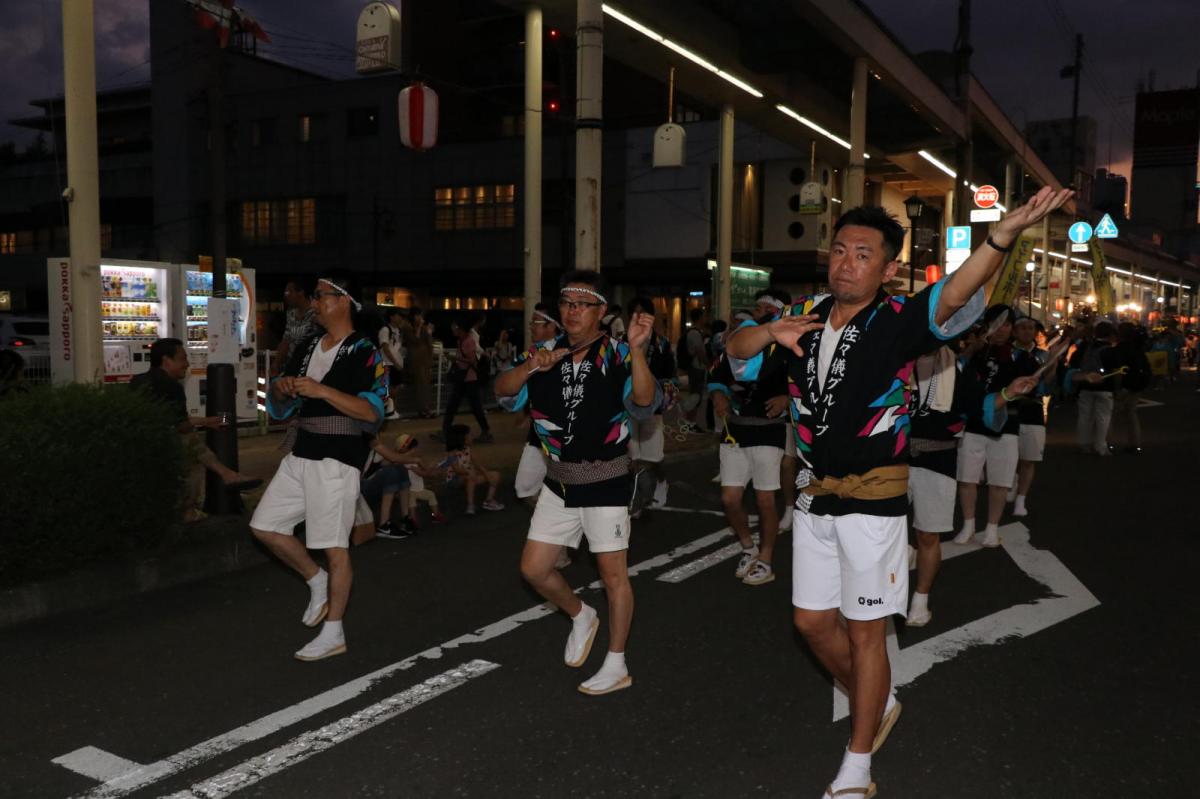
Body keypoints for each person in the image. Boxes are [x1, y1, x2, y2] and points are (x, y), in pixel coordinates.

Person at [724, 187, 1071, 798]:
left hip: (876, 498)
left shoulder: (897, 322)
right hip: (813, 495)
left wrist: (1002, 235)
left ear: (887, 269)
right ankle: (875, 700)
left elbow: (956, 292)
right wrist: (769, 331)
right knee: (809, 623)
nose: (845, 262)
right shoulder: (805, 311)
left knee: (866, 631)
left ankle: (857, 766)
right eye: (838, 250)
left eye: (863, 254)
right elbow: (735, 351)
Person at [494, 269, 661, 696]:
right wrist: (532, 366)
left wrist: (639, 352)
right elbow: (502, 391)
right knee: (533, 569)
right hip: (559, 482)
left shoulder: (619, 354)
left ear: (601, 312)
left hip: (605, 480)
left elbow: (644, 404)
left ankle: (617, 662)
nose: (571, 311)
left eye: (582, 304)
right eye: (566, 303)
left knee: (613, 577)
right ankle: (581, 614)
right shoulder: (545, 352)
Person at [252, 271, 388, 662]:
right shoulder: (308, 343)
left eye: (321, 296)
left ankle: (334, 632)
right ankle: (316, 580)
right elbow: (284, 404)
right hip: (301, 450)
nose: (314, 303)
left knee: (334, 547)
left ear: (344, 300)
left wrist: (321, 389)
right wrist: (280, 389)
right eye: (314, 296)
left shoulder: (365, 350)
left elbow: (371, 413)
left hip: (338, 457)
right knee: (265, 526)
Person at [707, 287, 792, 587]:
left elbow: (808, 379)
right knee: (730, 498)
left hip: (769, 429)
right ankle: (748, 547)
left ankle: (766, 559)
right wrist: (718, 395)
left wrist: (787, 398)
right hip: (735, 429)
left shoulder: (787, 346)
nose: (759, 312)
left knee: (765, 499)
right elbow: (715, 377)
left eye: (766, 309)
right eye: (757, 308)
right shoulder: (735, 345)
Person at [130, 338, 261, 521]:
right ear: (167, 360)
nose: (187, 364)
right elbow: (181, 425)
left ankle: (227, 475)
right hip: (161, 443)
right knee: (191, 452)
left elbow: (171, 420)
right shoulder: (171, 387)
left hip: (138, 439)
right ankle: (189, 509)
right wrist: (208, 422)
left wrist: (206, 421)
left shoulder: (138, 380)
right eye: (183, 359)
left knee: (191, 439)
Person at [953, 304, 1039, 547]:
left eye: (1007, 324)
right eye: (996, 323)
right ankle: (968, 524)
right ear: (986, 326)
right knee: (967, 479)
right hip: (973, 425)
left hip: (1007, 426)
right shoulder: (975, 353)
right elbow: (958, 379)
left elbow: (1032, 389)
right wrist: (971, 351)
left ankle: (992, 528)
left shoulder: (1020, 356)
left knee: (999, 482)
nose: (1002, 329)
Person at [626, 295, 677, 512]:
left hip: (652, 406)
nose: (638, 317)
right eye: (635, 313)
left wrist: (666, 393)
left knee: (653, 457)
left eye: (643, 312)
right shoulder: (621, 341)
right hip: (626, 405)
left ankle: (662, 481)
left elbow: (669, 374)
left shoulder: (662, 343)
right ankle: (639, 498)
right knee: (632, 456)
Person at [1007, 316, 1057, 517]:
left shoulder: (1042, 355)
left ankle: (1021, 499)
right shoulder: (1007, 353)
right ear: (1015, 331)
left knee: (1029, 458)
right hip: (1011, 408)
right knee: (1010, 454)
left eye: (1031, 328)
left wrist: (1053, 363)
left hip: (1034, 408)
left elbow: (1049, 382)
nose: (1027, 332)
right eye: (1022, 328)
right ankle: (1011, 482)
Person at [513, 303, 561, 508]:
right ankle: (554, 527)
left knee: (574, 489)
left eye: (536, 323)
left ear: (552, 326)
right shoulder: (531, 355)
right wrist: (525, 412)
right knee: (524, 488)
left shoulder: (569, 351)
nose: (531, 327)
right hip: (539, 432)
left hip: (567, 433)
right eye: (531, 323)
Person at [1067, 320, 1120, 455]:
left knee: (1084, 416)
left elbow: (1073, 361)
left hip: (1085, 384)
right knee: (1103, 417)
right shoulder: (1110, 350)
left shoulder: (1086, 346)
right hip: (1105, 386)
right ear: (1110, 334)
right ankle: (1100, 446)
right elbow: (1116, 367)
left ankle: (1084, 444)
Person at [362, 431, 423, 539]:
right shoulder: (364, 439)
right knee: (391, 472)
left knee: (399, 469)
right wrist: (415, 458)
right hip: (359, 491)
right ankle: (383, 524)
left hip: (364, 487)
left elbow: (389, 461)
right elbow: (392, 459)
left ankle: (405, 517)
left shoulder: (370, 439)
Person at [441, 318, 493, 444]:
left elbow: (472, 361)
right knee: (462, 406)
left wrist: (455, 358)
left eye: (455, 328)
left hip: (468, 378)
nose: (453, 330)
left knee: (460, 406)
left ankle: (485, 431)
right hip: (466, 378)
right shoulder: (463, 340)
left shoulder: (467, 341)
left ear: (461, 329)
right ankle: (446, 430)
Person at [442, 423, 503, 514]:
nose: (472, 436)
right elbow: (457, 470)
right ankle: (470, 505)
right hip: (455, 480)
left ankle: (489, 500)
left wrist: (487, 474)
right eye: (469, 435)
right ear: (462, 438)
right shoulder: (452, 453)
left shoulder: (467, 449)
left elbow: (477, 464)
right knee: (471, 476)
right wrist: (469, 472)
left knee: (495, 475)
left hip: (470, 476)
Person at [1110, 322, 1152, 454]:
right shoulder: (1138, 348)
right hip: (1137, 384)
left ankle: (1107, 442)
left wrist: (1117, 387)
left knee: (1111, 414)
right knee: (1131, 413)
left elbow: (1118, 369)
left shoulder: (1119, 349)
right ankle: (1135, 443)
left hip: (1124, 384)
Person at [274, 280, 321, 372]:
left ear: (300, 292)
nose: (286, 295)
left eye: (289, 292)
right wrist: (276, 363)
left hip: (311, 364)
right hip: (292, 363)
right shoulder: (291, 313)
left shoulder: (316, 312)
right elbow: (286, 340)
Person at [403, 308, 436, 418]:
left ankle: (426, 409)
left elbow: (429, 343)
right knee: (420, 385)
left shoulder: (424, 328)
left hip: (425, 359)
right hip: (415, 359)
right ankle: (423, 410)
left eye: (420, 315)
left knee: (426, 385)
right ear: (413, 316)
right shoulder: (408, 327)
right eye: (417, 315)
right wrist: (419, 327)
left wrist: (428, 332)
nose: (420, 318)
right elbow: (415, 340)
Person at [377, 308, 406, 412]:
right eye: (398, 315)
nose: (401, 318)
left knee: (397, 387)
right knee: (390, 389)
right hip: (388, 363)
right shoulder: (385, 330)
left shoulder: (398, 331)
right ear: (392, 317)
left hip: (396, 364)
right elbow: (385, 348)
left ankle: (393, 410)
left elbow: (398, 347)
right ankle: (389, 411)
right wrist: (395, 362)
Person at [685, 307, 709, 429]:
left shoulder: (695, 331)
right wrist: (708, 364)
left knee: (695, 395)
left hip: (695, 367)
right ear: (699, 318)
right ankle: (690, 423)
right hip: (696, 367)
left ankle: (691, 423)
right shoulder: (694, 333)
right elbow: (700, 351)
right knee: (695, 396)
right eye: (704, 316)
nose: (705, 318)